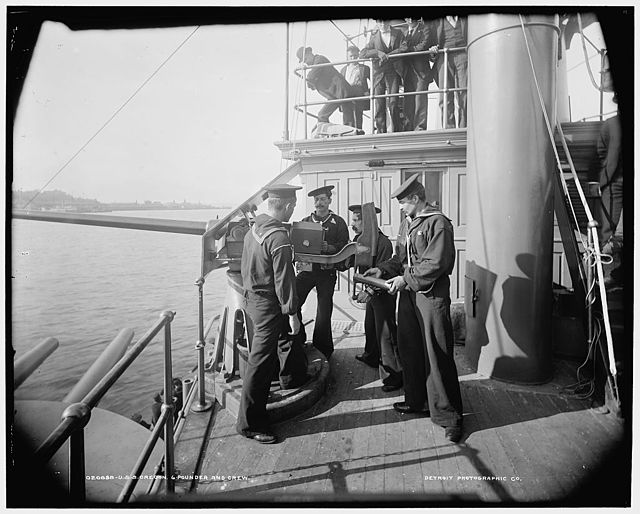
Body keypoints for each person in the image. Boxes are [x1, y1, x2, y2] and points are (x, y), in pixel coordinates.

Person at [364, 174, 464, 443]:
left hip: (430, 297)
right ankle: (416, 401)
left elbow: (436, 263)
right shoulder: (408, 223)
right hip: (409, 296)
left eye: (403, 204)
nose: (401, 209)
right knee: (409, 349)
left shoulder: (438, 223)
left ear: (416, 199)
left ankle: (450, 416)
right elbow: (400, 258)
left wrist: (404, 279)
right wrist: (383, 270)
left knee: (437, 354)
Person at [236, 184, 305, 444]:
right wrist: (293, 313)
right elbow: (284, 281)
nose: (293, 209)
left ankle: (288, 379)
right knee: (260, 362)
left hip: (253, 301)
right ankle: (249, 424)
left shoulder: (254, 229)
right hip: (269, 306)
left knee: (266, 353)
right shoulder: (279, 238)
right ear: (286, 206)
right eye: (293, 206)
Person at [349, 204, 403, 392]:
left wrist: (369, 291)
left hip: (382, 293)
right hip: (370, 291)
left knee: (385, 334)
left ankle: (394, 376)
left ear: (369, 221)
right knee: (370, 326)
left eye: (357, 220)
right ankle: (371, 356)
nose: (352, 224)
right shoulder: (360, 240)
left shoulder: (383, 244)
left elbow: (385, 274)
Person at [296, 185, 350, 359]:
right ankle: (298, 340)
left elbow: (345, 246)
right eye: (316, 200)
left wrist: (330, 247)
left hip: (327, 273)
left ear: (329, 201)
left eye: (322, 199)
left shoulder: (338, 222)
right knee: (294, 303)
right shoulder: (305, 221)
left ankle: (323, 349)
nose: (319, 203)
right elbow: (297, 245)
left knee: (324, 311)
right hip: (307, 271)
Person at [360, 19, 406, 133]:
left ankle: (397, 131)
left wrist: (389, 56)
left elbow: (404, 48)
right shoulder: (375, 37)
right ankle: (381, 132)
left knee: (393, 103)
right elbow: (363, 53)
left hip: (393, 72)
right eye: (380, 22)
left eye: (384, 22)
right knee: (379, 104)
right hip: (378, 74)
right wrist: (378, 53)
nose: (382, 24)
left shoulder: (398, 33)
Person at [297, 46, 355, 127]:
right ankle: (346, 132)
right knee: (348, 118)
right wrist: (311, 82)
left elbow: (311, 76)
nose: (306, 63)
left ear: (309, 53)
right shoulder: (317, 62)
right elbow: (311, 82)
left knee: (322, 115)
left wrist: (310, 80)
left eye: (306, 59)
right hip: (336, 94)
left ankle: (329, 131)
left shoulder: (319, 60)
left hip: (339, 92)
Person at [430, 15, 468, 128]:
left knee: (464, 92)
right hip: (444, 56)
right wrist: (432, 49)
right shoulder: (435, 21)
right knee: (445, 94)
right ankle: (448, 127)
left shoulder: (466, 18)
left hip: (463, 54)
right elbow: (429, 41)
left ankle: (464, 126)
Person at [400, 17, 436, 131]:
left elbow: (424, 45)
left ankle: (420, 127)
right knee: (408, 100)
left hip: (421, 71)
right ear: (405, 19)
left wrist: (408, 50)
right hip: (408, 71)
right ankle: (408, 127)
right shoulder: (404, 33)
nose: (410, 20)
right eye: (408, 18)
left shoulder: (425, 29)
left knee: (420, 99)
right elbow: (400, 47)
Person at [340, 45, 371, 130]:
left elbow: (373, 80)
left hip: (358, 91)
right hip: (347, 92)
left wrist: (367, 91)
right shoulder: (343, 70)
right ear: (348, 56)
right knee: (347, 113)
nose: (353, 58)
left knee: (358, 113)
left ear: (358, 55)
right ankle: (347, 131)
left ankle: (358, 130)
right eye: (351, 56)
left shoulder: (364, 68)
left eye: (355, 56)